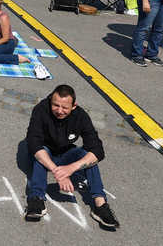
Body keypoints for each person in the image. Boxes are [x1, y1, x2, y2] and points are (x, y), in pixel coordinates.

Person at [23, 85, 119, 229]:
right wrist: (59, 173)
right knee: (41, 155)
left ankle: (100, 205)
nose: (59, 110)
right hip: (45, 152)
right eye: (56, 105)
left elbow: (97, 149)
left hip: (66, 153)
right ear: (51, 101)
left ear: (74, 106)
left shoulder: (81, 116)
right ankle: (36, 199)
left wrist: (71, 168)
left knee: (88, 156)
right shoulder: (41, 110)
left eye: (64, 107)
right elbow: (33, 144)